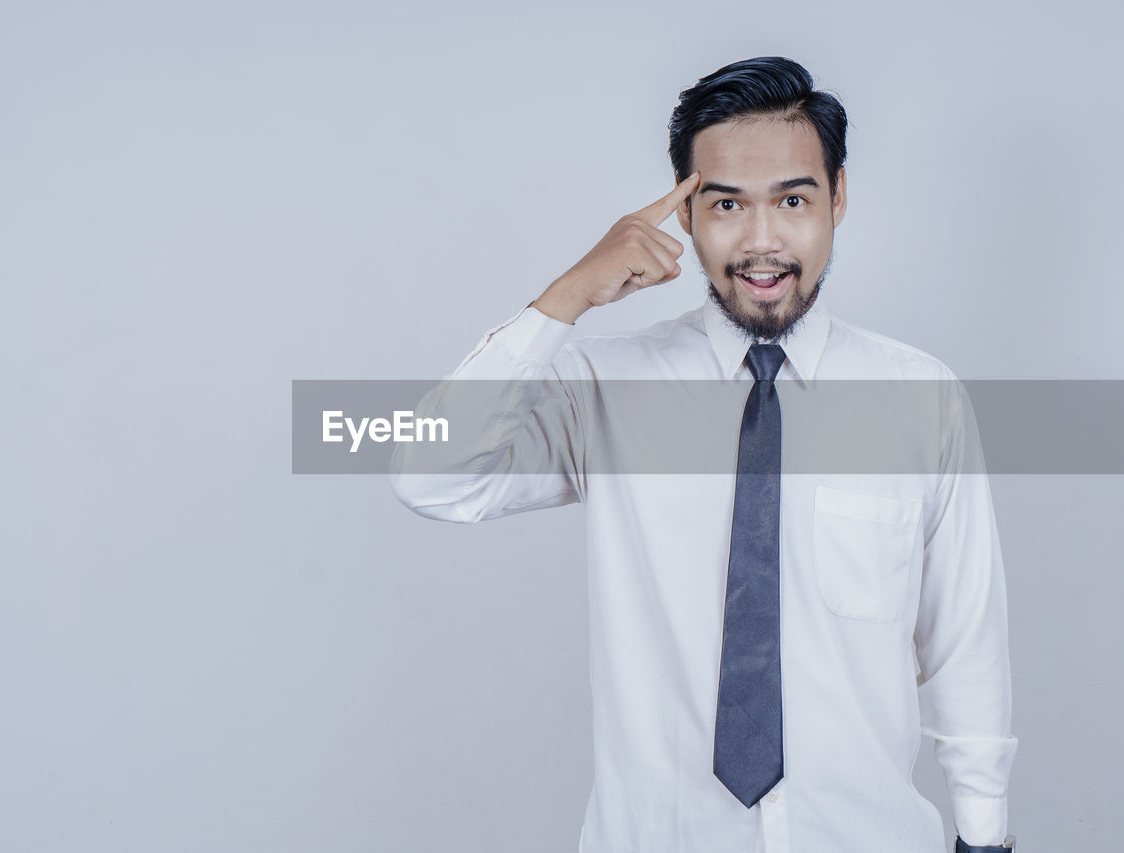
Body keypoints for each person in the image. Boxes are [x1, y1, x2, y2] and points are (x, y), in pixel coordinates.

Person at [388, 56, 1017, 853]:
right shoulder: (607, 387)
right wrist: (569, 294)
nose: (762, 242)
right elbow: (427, 473)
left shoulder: (920, 396)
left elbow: (965, 641)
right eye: (726, 204)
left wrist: (986, 836)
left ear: (839, 199)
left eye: (793, 199)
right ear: (684, 214)